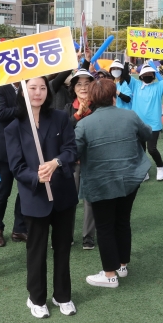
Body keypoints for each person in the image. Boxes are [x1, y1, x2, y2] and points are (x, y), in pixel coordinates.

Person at [4, 77, 79, 318]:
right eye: (32, 88)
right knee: (36, 250)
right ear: (23, 91)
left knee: (62, 248)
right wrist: (37, 176)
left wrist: (56, 163)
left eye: (42, 87)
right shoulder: (13, 126)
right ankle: (36, 298)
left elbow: (71, 149)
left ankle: (62, 295)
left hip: (63, 195)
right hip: (35, 198)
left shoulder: (60, 117)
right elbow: (16, 167)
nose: (38, 92)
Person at [76, 79, 151, 289]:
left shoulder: (84, 124)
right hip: (130, 177)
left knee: (105, 226)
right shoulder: (130, 115)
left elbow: (74, 152)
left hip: (101, 181)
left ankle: (110, 273)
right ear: (113, 96)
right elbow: (147, 133)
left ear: (91, 99)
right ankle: (122, 265)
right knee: (122, 220)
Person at [0, 83, 28, 246]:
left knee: (25, 189)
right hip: (4, 150)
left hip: (25, 147)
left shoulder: (29, 85)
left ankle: (19, 229)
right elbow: (0, 113)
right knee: (2, 191)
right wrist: (27, 107)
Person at [64, 69, 97, 249]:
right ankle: (66, 234)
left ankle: (88, 236)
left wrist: (88, 111)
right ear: (73, 88)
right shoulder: (68, 108)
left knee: (90, 199)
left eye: (87, 83)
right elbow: (63, 131)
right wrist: (78, 114)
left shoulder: (99, 107)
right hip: (72, 162)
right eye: (79, 84)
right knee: (69, 199)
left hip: (92, 160)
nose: (83, 87)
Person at [131, 62, 163, 181]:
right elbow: (125, 76)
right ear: (141, 76)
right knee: (140, 149)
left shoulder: (158, 86)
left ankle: (160, 167)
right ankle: (144, 171)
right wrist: (127, 60)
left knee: (151, 148)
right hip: (138, 124)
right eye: (145, 73)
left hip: (153, 124)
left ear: (153, 75)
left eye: (150, 73)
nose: (148, 75)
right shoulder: (136, 85)